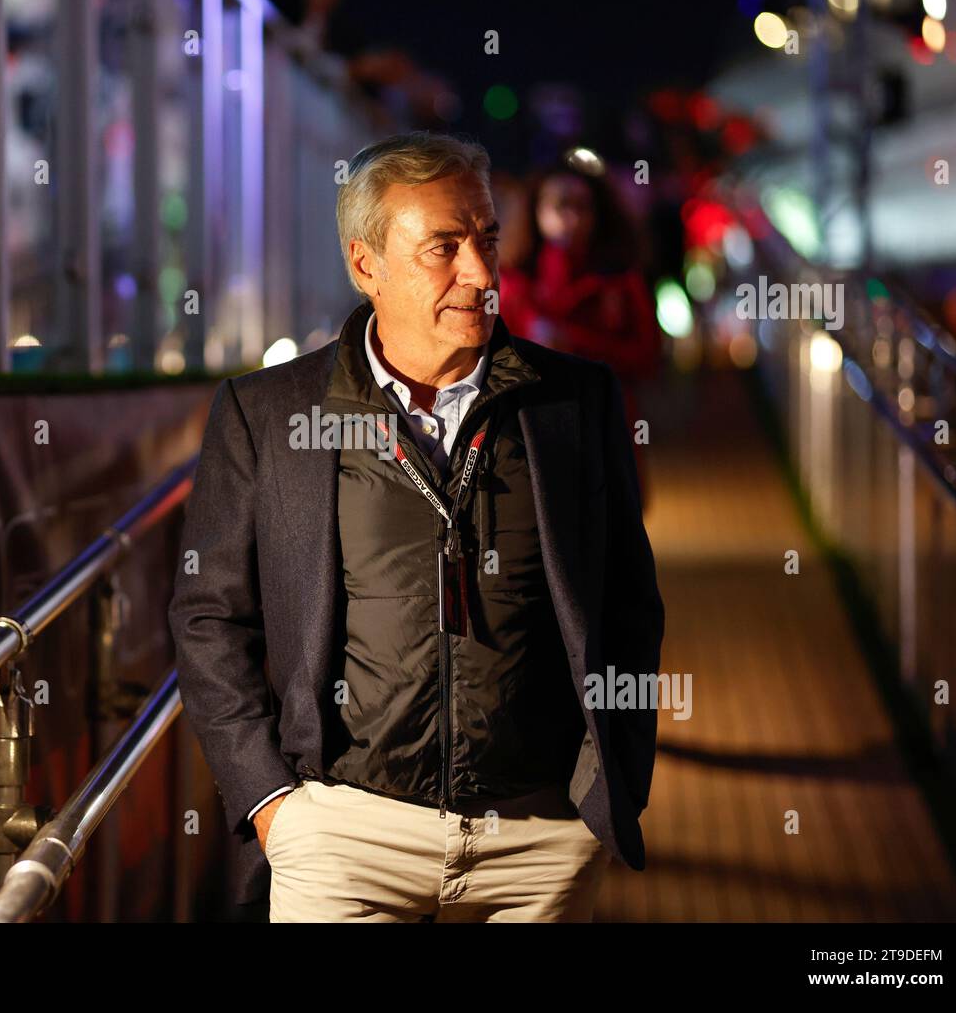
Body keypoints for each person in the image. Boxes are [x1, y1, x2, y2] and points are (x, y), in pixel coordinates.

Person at [169, 131, 664, 923]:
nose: (480, 271)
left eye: (489, 238)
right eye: (444, 246)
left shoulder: (575, 401)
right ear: (367, 266)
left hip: (539, 841)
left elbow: (629, 603)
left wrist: (607, 791)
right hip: (340, 834)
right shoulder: (266, 414)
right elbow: (207, 616)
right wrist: (269, 800)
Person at [499, 158, 661, 503]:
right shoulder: (514, 285)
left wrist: (575, 342)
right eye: (559, 205)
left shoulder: (620, 280)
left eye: (583, 206)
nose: (571, 218)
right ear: (536, 211)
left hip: (606, 433)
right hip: (531, 439)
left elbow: (647, 357)